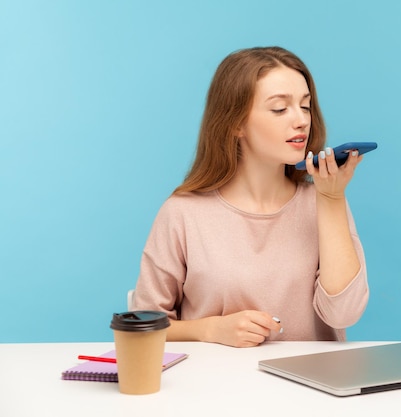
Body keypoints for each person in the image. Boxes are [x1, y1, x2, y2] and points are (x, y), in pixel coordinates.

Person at [132, 46, 369, 348]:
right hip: (214, 387)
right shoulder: (182, 213)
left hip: (311, 389)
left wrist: (332, 201)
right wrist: (209, 329)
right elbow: (143, 325)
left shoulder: (324, 201)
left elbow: (344, 314)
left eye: (305, 106)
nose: (301, 121)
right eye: (280, 108)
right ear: (235, 123)